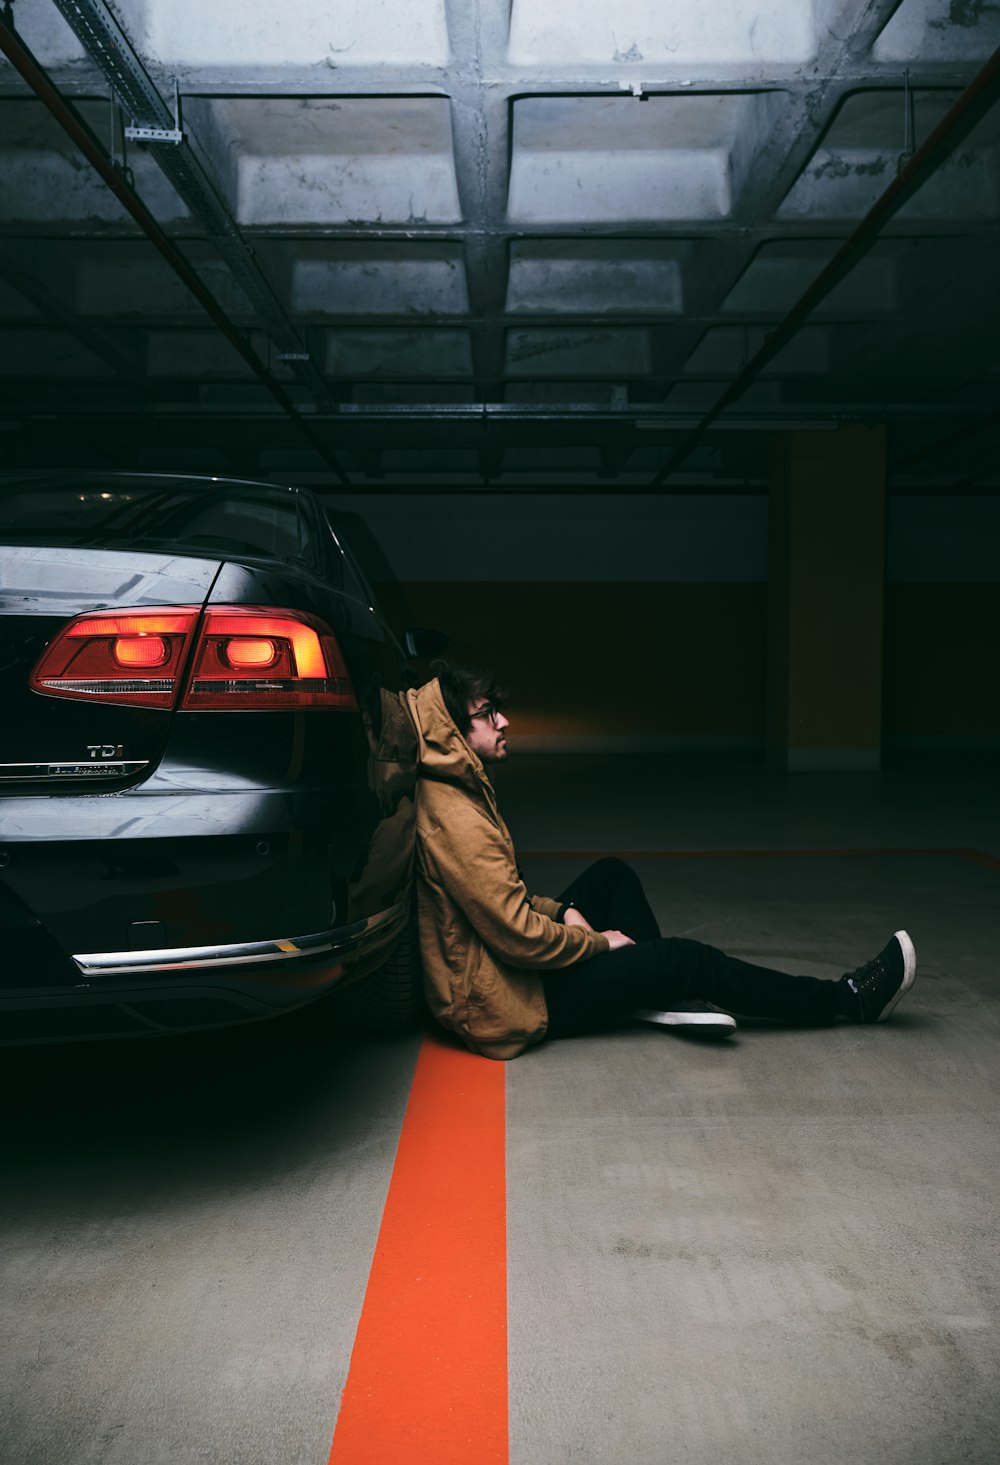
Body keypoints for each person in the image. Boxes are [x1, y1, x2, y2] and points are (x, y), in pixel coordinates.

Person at [406, 664, 916, 1062]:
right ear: (455, 729)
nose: (504, 720)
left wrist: (562, 913)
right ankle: (848, 999)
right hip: (507, 1004)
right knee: (686, 960)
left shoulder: (458, 789)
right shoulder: (458, 817)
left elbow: (503, 895)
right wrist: (595, 941)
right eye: (489, 712)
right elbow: (516, 935)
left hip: (502, 975)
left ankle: (650, 989)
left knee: (611, 875)